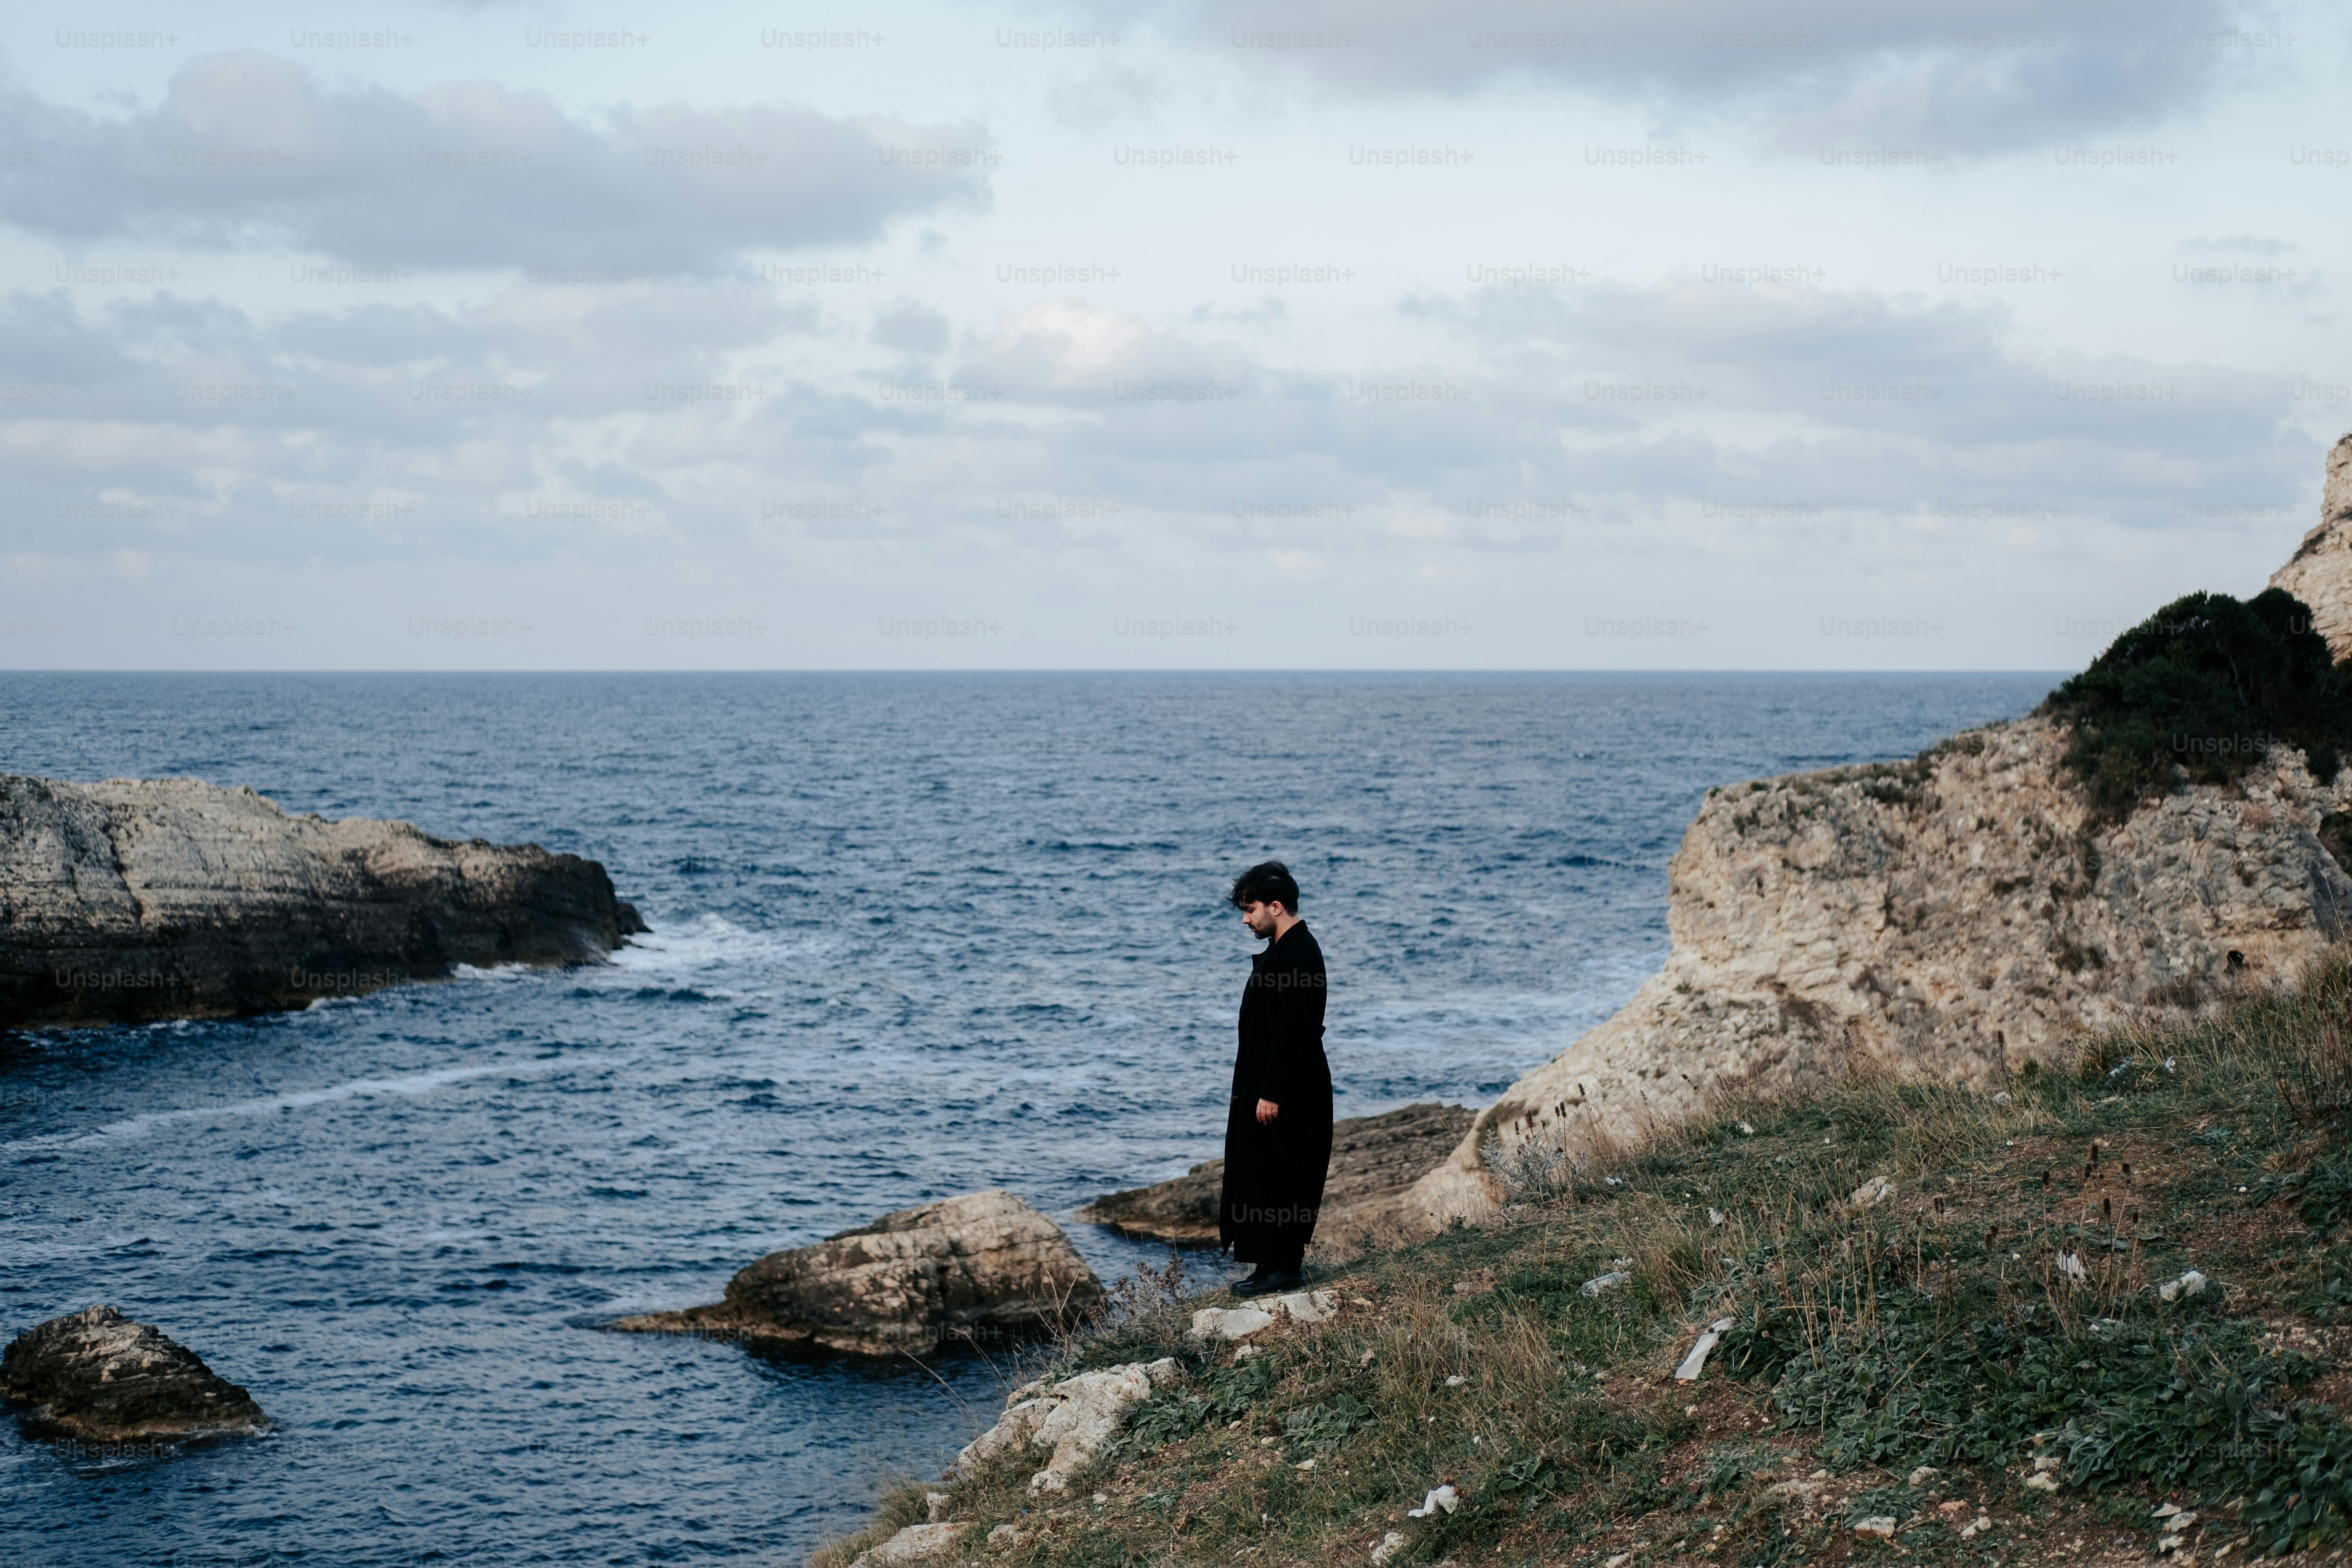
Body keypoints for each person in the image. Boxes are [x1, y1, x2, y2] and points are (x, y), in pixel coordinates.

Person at [1218, 860, 1333, 1298]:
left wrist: (1271, 1092)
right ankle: (1270, 1263)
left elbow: (1294, 1028)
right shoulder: (1285, 950)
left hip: (1289, 1087)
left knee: (1284, 1168)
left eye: (1250, 910)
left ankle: (1284, 1266)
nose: (1246, 920)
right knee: (1265, 1167)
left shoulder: (1301, 952)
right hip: (1272, 1082)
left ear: (1276, 906)